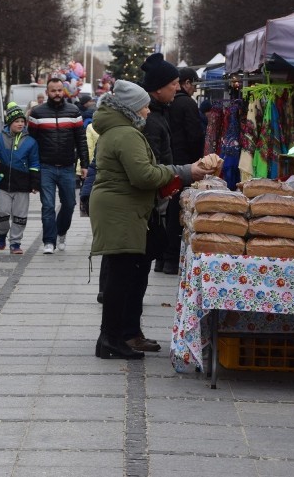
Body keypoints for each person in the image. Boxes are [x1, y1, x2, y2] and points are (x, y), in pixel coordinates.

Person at [90, 80, 213, 359]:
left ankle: (115, 337)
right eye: (144, 106)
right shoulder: (126, 133)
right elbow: (143, 175)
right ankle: (111, 340)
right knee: (121, 277)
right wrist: (181, 171)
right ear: (132, 108)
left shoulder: (121, 130)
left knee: (122, 274)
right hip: (121, 211)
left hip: (120, 208)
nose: (148, 111)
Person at [27, 77, 88, 254]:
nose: (57, 94)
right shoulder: (37, 113)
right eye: (53, 91)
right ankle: (49, 241)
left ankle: (61, 232)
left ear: (64, 91)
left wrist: (84, 164)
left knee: (69, 204)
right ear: (47, 92)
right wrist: (33, 169)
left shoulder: (73, 111)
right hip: (46, 166)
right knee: (47, 205)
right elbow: (31, 142)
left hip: (68, 166)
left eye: (60, 90)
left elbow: (81, 140)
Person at [158, 67, 205, 275]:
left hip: (166, 164)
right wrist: (198, 163)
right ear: (186, 83)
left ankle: (160, 259)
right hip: (184, 165)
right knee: (178, 212)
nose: (194, 89)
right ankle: (170, 259)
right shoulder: (187, 104)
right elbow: (195, 136)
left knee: (164, 210)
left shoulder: (164, 105)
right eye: (193, 84)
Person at [138, 53, 181, 275]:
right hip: (151, 197)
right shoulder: (152, 119)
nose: (178, 88)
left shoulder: (159, 113)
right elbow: (151, 164)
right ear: (158, 89)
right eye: (173, 84)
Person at [0, 102, 40, 254]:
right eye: (17, 121)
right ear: (10, 122)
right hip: (2, 184)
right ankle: (2, 234)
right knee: (2, 212)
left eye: (22, 121)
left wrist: (35, 183)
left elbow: (34, 164)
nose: (20, 124)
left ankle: (15, 243)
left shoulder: (31, 142)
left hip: (22, 184)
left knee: (20, 216)